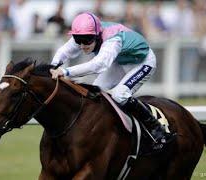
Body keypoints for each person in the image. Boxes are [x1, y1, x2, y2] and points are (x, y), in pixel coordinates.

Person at [49, 12, 175, 151]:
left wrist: (65, 72)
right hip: (120, 61)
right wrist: (53, 66)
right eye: (78, 40)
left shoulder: (112, 40)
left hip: (142, 63)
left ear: (97, 35)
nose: (83, 45)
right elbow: (65, 51)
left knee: (119, 95)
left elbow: (98, 65)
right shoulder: (87, 32)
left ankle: (156, 128)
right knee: (94, 92)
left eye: (87, 40)